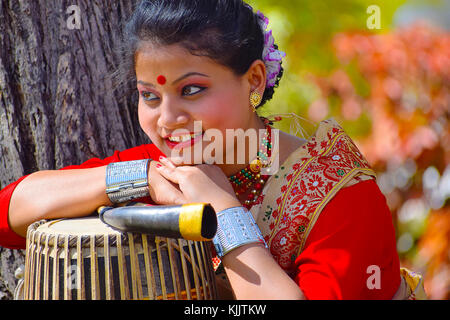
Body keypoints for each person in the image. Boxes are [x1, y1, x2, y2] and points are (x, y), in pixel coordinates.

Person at [0, 0, 426, 300]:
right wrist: (140, 178)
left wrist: (221, 208)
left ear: (255, 80)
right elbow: (9, 216)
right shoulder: (174, 169)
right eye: (149, 96)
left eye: (192, 90)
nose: (167, 119)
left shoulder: (339, 195)